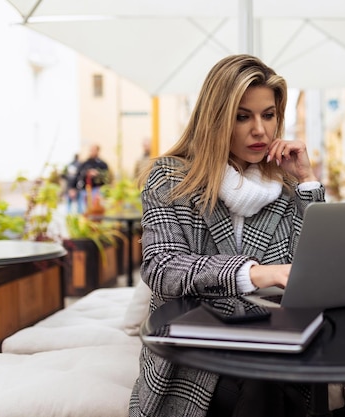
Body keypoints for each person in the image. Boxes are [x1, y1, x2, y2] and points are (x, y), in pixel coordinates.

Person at [129, 54, 324, 417]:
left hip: (270, 340)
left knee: (268, 379)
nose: (260, 131)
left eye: (268, 115)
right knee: (259, 386)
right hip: (193, 351)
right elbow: (162, 267)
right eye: (242, 116)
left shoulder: (282, 186)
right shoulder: (170, 179)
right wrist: (254, 273)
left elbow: (314, 268)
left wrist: (307, 182)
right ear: (216, 119)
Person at [69, 144, 110, 213]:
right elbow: (78, 175)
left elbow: (106, 177)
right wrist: (73, 188)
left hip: (97, 190)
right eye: (91, 150)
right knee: (85, 210)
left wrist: (97, 173)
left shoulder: (103, 164)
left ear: (98, 151)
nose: (92, 152)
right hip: (85, 190)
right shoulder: (85, 163)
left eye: (94, 150)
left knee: (97, 210)